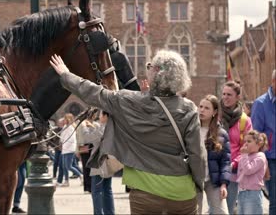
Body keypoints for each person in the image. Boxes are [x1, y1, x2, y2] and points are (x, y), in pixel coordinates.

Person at [50, 49, 206, 214]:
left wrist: (66, 74)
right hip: (181, 193)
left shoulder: (128, 101)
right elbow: (197, 154)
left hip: (145, 193)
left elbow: (95, 93)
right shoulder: (188, 108)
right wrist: (197, 184)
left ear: (155, 73)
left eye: (149, 66)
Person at [219, 80, 253, 214]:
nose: (225, 97)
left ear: (237, 97)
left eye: (229, 94)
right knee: (214, 208)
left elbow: (247, 146)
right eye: (223, 94)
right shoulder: (216, 115)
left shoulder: (245, 120)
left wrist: (234, 163)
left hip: (233, 171)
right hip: (214, 168)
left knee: (227, 207)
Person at [196, 95, 231, 214]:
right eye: (200, 106)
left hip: (213, 181)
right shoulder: (191, 130)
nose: (202, 110)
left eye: (206, 108)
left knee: (222, 212)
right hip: (194, 180)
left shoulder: (221, 134)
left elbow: (225, 161)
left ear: (214, 112)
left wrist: (224, 184)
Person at [252, 69, 276, 215]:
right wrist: (264, 164)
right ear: (273, 82)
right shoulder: (260, 104)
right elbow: (257, 136)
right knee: (275, 202)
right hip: (271, 160)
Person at [84, 110, 115, 215]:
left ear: (106, 116)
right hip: (108, 162)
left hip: (99, 164)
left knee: (96, 191)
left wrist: (87, 126)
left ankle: (98, 213)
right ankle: (110, 213)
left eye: (101, 115)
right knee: (107, 190)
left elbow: (87, 138)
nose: (99, 117)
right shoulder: (112, 127)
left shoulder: (102, 127)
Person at [237, 130, 268, 214]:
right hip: (242, 192)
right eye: (245, 141)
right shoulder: (247, 155)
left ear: (259, 144)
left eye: (249, 141)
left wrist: (244, 155)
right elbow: (241, 168)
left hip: (253, 194)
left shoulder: (260, 157)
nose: (246, 144)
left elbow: (248, 170)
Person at [57, 113, 83, 187]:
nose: (64, 120)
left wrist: (64, 144)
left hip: (69, 149)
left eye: (65, 119)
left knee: (69, 166)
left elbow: (71, 139)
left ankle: (81, 175)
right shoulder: (65, 127)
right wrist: (61, 143)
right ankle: (66, 181)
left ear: (68, 119)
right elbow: (62, 137)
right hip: (64, 149)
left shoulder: (71, 127)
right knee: (64, 166)